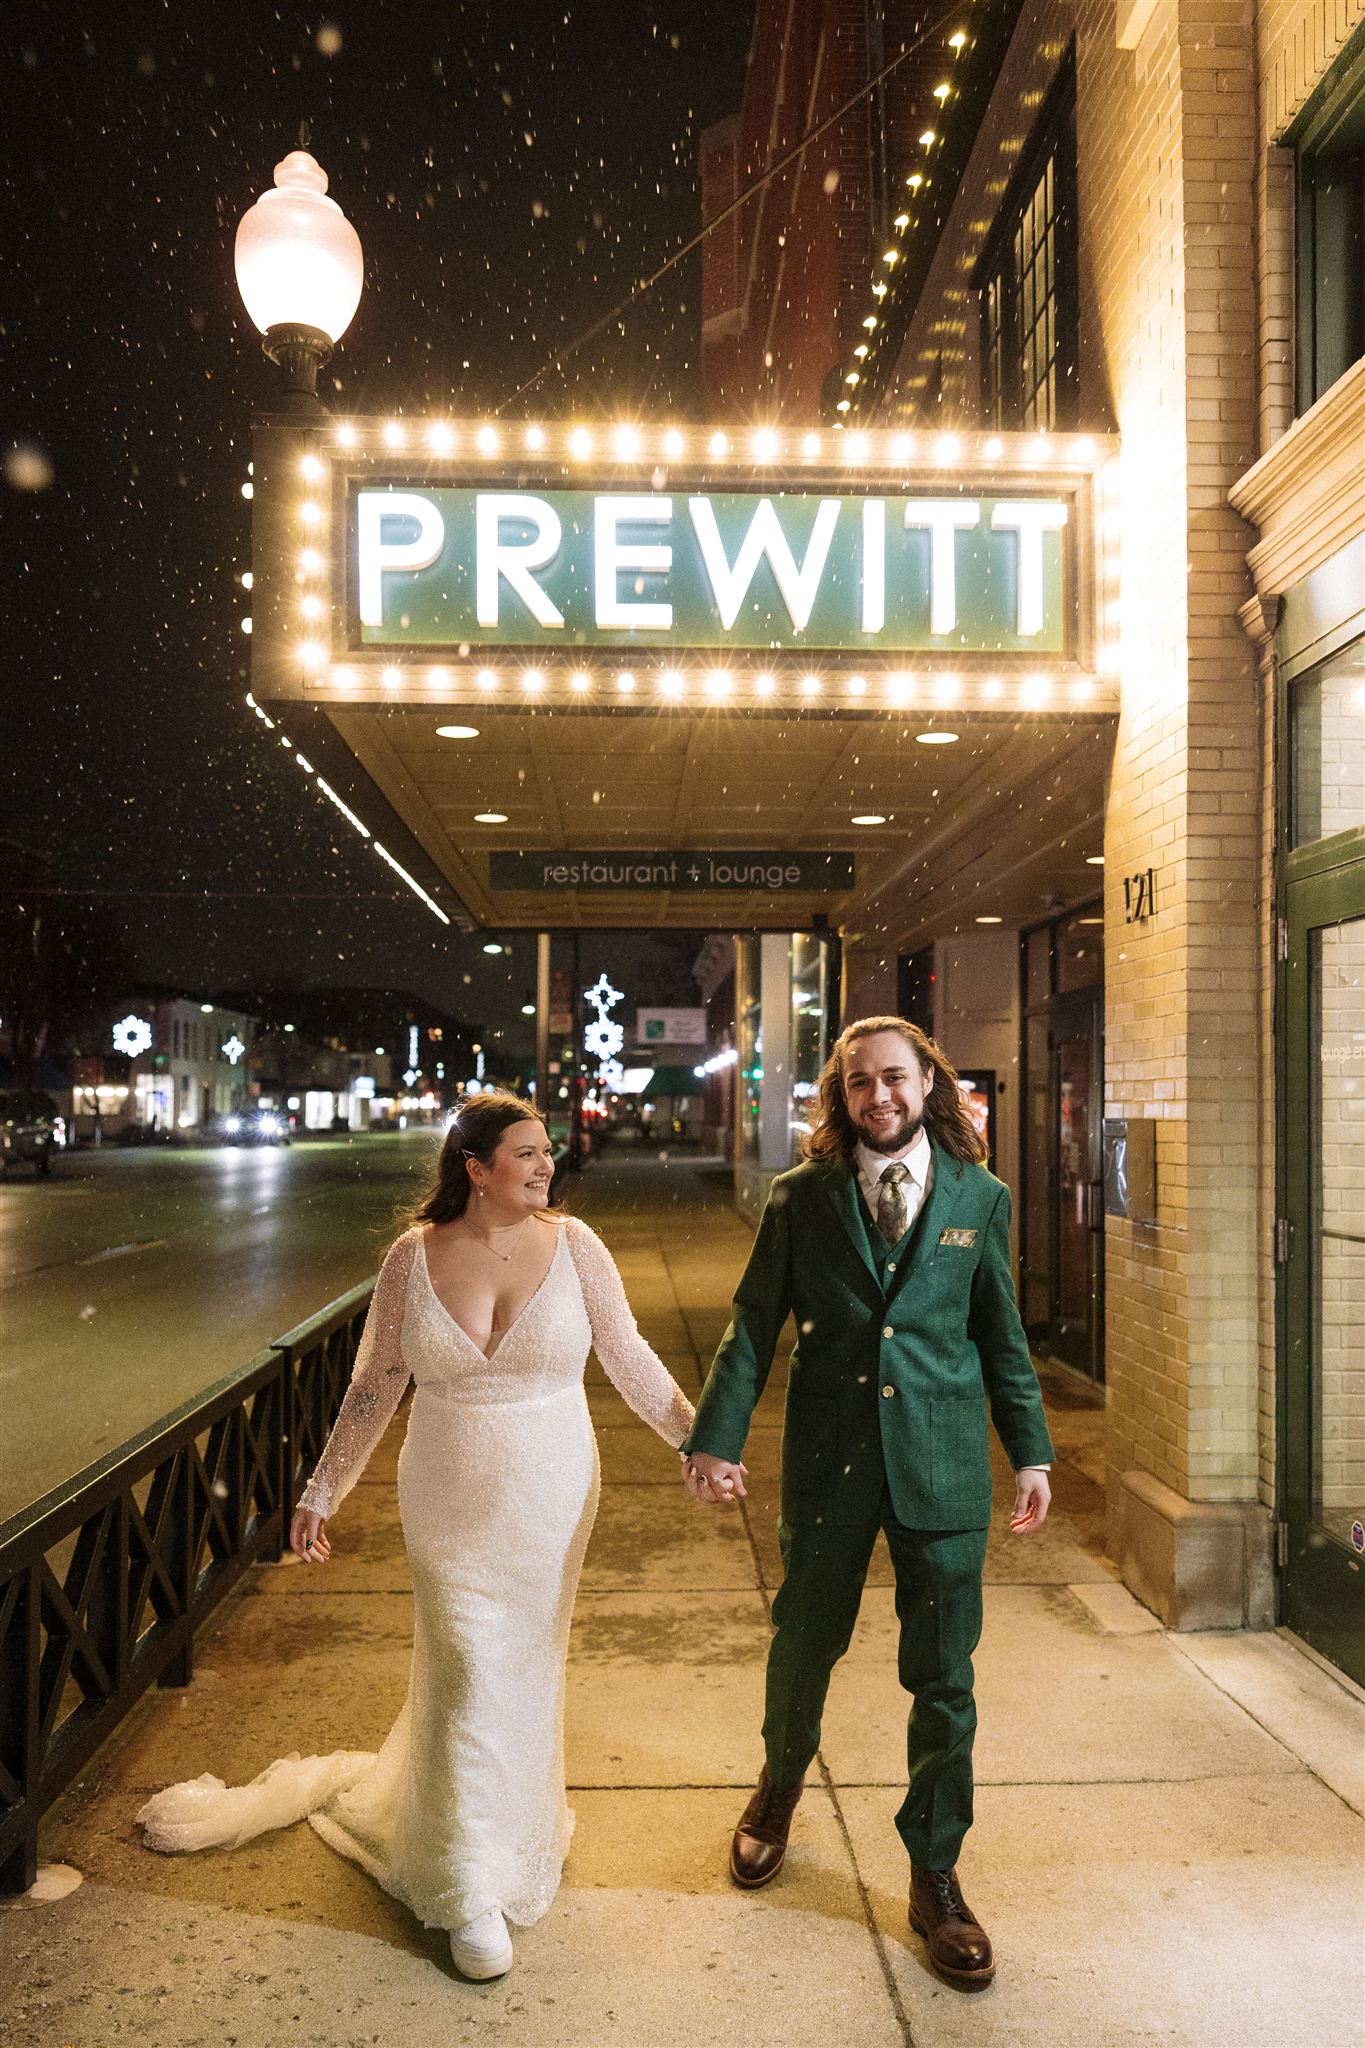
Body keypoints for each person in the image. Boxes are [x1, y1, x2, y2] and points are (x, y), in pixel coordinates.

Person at [137, 1091, 694, 1981]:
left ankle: (514, 1831)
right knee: (467, 1666)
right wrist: (322, 1489)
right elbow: (371, 1387)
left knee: (521, 1665)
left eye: (547, 1151)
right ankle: (464, 1882)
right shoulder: (412, 1257)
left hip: (551, 1489)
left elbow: (625, 1354)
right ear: (475, 1170)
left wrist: (694, 1440)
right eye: (525, 1153)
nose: (547, 1165)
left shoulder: (576, 1246)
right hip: (445, 1491)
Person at [680, 1016, 1054, 1988]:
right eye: (858, 1084)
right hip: (830, 1461)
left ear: (929, 1083)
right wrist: (716, 1435)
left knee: (944, 1677)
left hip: (941, 1470)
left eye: (895, 1078)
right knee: (803, 1640)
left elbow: (1001, 1335)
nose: (878, 1096)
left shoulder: (982, 1197)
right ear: (841, 1100)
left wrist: (1032, 1451)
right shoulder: (800, 1198)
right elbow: (754, 1324)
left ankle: (936, 1870)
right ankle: (778, 1786)